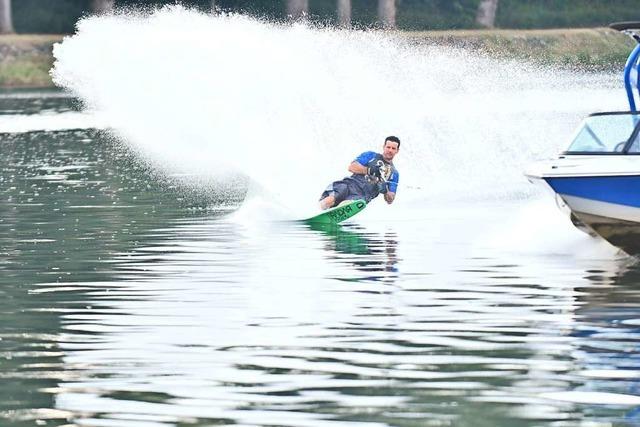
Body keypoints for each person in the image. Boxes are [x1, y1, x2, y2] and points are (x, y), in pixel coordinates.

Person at [319, 136, 400, 210]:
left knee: (346, 205)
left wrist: (384, 189)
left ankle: (334, 212)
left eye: (393, 148)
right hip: (349, 184)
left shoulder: (394, 173)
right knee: (332, 199)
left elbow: (390, 200)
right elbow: (351, 167)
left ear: (397, 151)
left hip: (362, 196)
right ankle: (316, 211)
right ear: (383, 147)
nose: (390, 150)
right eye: (388, 147)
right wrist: (369, 170)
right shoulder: (370, 156)